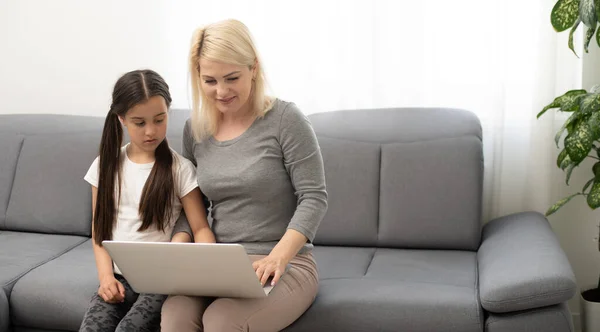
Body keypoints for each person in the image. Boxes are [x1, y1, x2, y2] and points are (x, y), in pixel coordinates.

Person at [161, 19, 328, 332]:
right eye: (210, 80)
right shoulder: (195, 131)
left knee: (222, 321)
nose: (221, 91)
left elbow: (314, 198)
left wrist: (278, 258)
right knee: (175, 316)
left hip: (284, 263)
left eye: (231, 78)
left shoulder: (285, 119)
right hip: (217, 264)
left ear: (254, 68)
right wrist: (179, 249)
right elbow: (192, 206)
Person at [79, 69, 216, 332]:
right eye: (139, 123)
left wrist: (206, 271)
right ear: (122, 119)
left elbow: (200, 227)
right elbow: (100, 229)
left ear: (169, 113)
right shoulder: (104, 166)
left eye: (159, 119)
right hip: (119, 278)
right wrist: (106, 277)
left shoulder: (181, 168)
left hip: (162, 281)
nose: (151, 131)